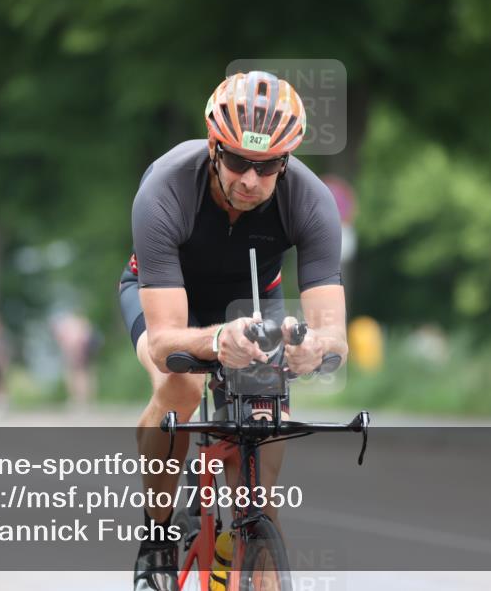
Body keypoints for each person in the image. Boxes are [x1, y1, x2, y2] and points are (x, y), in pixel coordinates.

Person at [119, 70, 348, 591]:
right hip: (164, 296)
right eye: (239, 161)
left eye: (266, 167)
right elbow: (163, 341)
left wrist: (315, 347)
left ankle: (248, 533)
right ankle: (157, 539)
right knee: (179, 383)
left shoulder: (310, 202)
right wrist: (218, 340)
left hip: (250, 300)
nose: (251, 179)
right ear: (214, 148)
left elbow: (334, 333)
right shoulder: (164, 187)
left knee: (265, 414)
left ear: (284, 163)